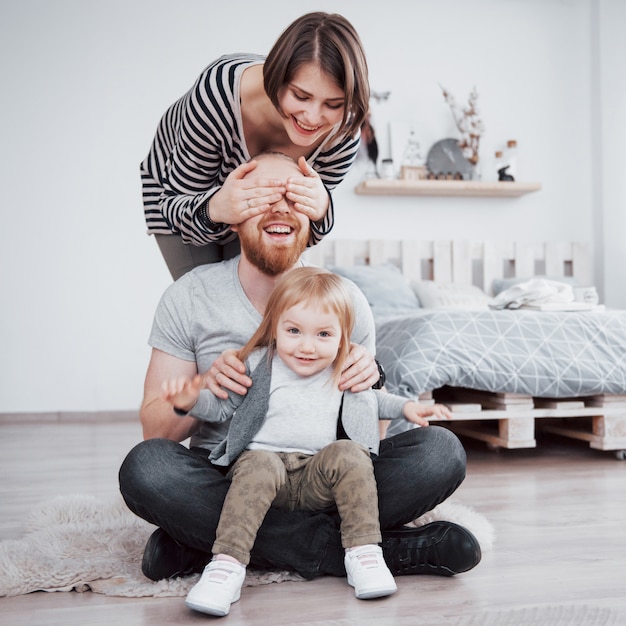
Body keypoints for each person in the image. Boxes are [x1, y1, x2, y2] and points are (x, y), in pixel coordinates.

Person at [119, 152, 481, 596]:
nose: (281, 207)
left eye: (295, 196)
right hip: (231, 474)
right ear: (232, 216)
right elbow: (154, 432)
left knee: (440, 452)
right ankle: (367, 552)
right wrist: (199, 387)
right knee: (147, 469)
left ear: (312, 217)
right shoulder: (189, 297)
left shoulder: (345, 299)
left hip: (327, 476)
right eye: (262, 196)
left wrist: (371, 381)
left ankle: (210, 546)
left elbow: (371, 441)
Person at [161, 266, 453, 615]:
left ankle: (364, 553)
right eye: (294, 331)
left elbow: (372, 401)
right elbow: (222, 407)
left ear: (344, 336)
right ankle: (227, 566)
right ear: (275, 326)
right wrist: (190, 400)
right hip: (262, 478)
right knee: (248, 463)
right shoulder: (257, 363)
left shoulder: (345, 366)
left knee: (352, 453)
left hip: (319, 480)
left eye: (324, 335)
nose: (307, 346)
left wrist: (408, 407)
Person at [141, 11, 370, 280]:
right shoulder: (217, 96)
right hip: (182, 199)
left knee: (270, 305)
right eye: (300, 96)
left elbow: (306, 230)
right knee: (206, 301)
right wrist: (215, 208)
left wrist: (322, 209)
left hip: (259, 214)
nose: (313, 117)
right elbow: (176, 207)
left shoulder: (342, 132)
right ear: (277, 79)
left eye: (333, 104)